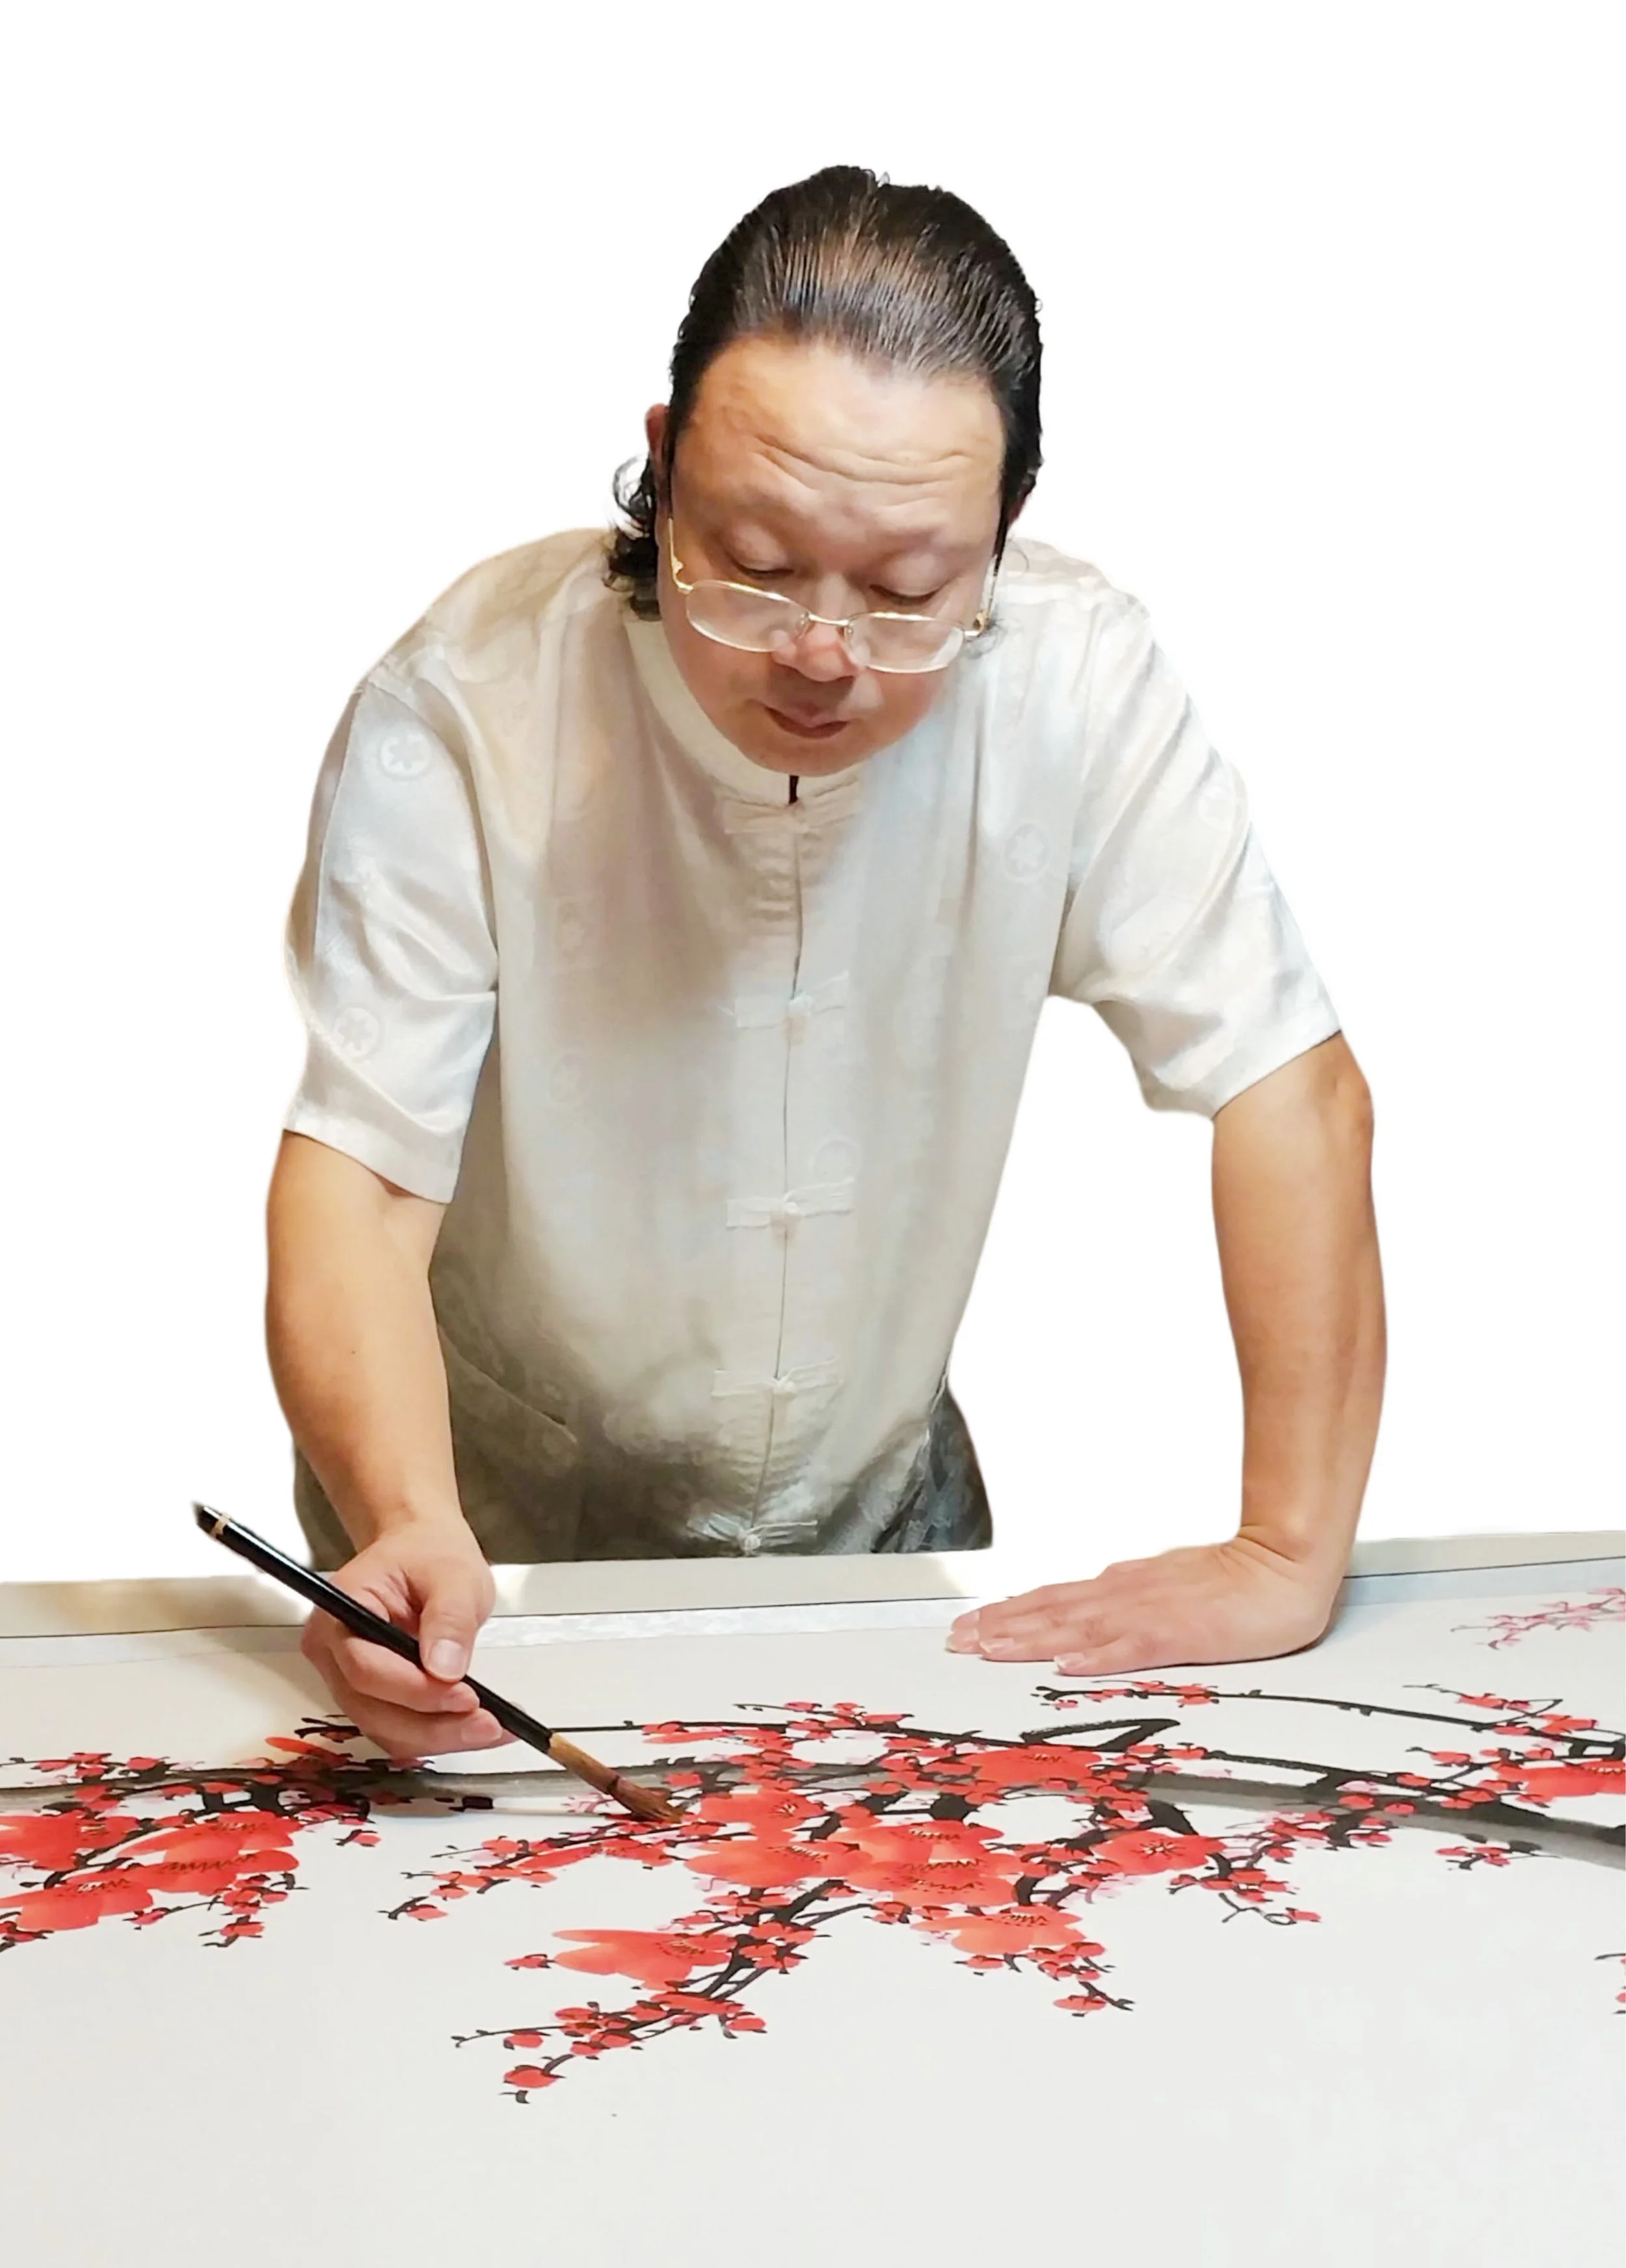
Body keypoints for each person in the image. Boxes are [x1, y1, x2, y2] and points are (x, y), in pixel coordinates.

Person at [269, 165, 1384, 1760]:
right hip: (485, 1542)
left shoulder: (1076, 681)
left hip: (881, 1517)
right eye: (756, 561)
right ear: (663, 464)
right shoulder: (466, 703)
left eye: (909, 592)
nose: (821, 653)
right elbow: (364, 1175)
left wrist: (1284, 1548)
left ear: (1001, 538)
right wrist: (400, 1516)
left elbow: (1285, 1085)